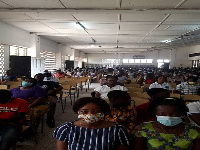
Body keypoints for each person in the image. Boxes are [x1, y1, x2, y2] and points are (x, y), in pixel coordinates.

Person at [53, 97, 129, 150]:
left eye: (96, 111)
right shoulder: (66, 129)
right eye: (84, 112)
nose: (90, 115)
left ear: (103, 112)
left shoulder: (117, 130)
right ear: (78, 112)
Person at [132, 97, 200, 150]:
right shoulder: (143, 129)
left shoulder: (194, 131)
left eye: (174, 115)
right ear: (155, 113)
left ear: (181, 114)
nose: (168, 117)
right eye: (162, 114)